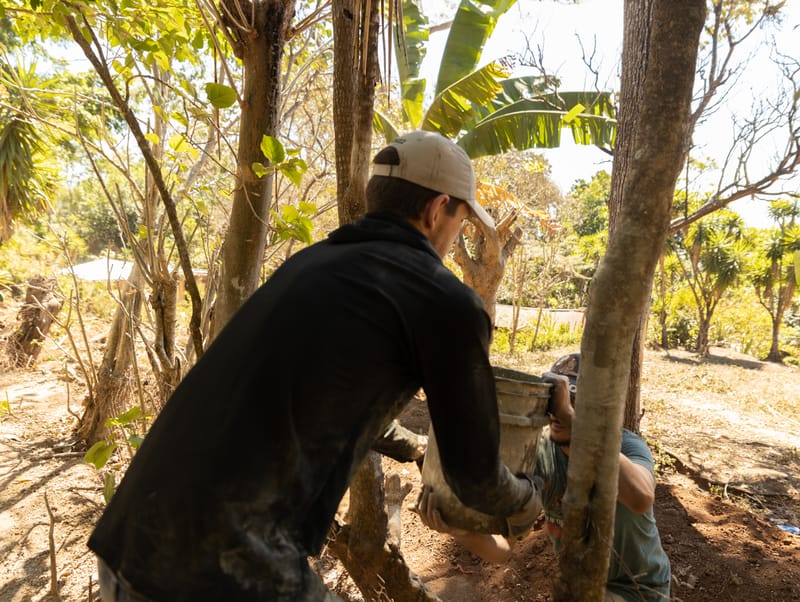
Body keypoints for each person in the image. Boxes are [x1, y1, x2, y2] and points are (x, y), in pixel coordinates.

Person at [87, 130, 542, 601]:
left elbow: (319, 394)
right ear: (435, 209)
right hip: (220, 563)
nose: (455, 237)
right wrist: (531, 503)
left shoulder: (313, 265)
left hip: (132, 538)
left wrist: (415, 449)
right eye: (460, 221)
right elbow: (476, 478)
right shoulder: (443, 300)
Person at [417, 352, 671, 602]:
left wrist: (573, 420)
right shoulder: (540, 455)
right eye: (558, 401)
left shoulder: (626, 445)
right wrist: (458, 531)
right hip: (580, 588)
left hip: (639, 591)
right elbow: (504, 551)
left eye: (575, 400)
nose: (560, 412)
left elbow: (641, 498)